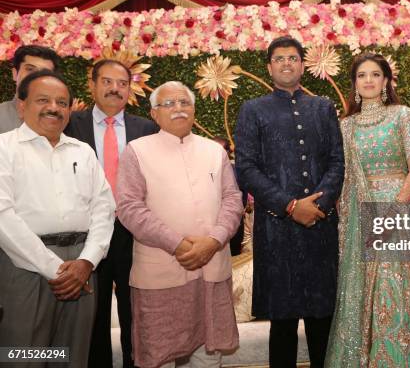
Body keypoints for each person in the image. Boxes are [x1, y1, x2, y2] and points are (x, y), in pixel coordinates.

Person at [234, 36, 344, 368]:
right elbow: (247, 169)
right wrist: (292, 206)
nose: (286, 63)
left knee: (321, 317)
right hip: (277, 228)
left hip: (320, 227)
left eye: (293, 57)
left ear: (302, 64)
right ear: (269, 67)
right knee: (282, 321)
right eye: (279, 58)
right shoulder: (253, 109)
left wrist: (318, 206)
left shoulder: (322, 108)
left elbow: (337, 163)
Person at [326, 53, 410, 366]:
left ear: (387, 81)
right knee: (365, 290)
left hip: (399, 209)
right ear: (354, 84)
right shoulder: (345, 126)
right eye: (362, 75)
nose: (368, 81)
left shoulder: (402, 115)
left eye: (375, 74)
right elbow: (344, 176)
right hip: (360, 214)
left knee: (400, 287)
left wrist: (395, 209)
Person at [116, 81, 242, 368]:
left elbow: (232, 199)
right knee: (160, 356)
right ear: (154, 114)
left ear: (194, 110)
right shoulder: (137, 151)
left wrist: (214, 240)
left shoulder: (214, 151)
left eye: (185, 103)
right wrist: (178, 244)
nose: (179, 109)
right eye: (169, 104)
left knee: (209, 356)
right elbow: (129, 208)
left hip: (212, 266)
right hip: (161, 271)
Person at [0, 70, 115, 366]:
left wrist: (87, 261)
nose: (54, 107)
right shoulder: (4, 149)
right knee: (24, 355)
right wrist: (56, 269)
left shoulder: (83, 152)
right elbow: (4, 217)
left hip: (82, 268)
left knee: (71, 357)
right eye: (43, 100)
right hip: (24, 266)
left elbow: (104, 208)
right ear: (21, 106)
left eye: (62, 102)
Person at [64, 59, 158, 368]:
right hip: (88, 233)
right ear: (91, 85)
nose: (114, 88)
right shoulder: (69, 125)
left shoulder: (145, 128)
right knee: (93, 311)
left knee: (135, 311)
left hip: (133, 234)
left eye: (122, 83)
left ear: (130, 89)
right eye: (106, 81)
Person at [0, 45, 61, 133]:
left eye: (44, 72)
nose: (36, 76)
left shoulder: (63, 119)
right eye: (30, 69)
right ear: (15, 74)